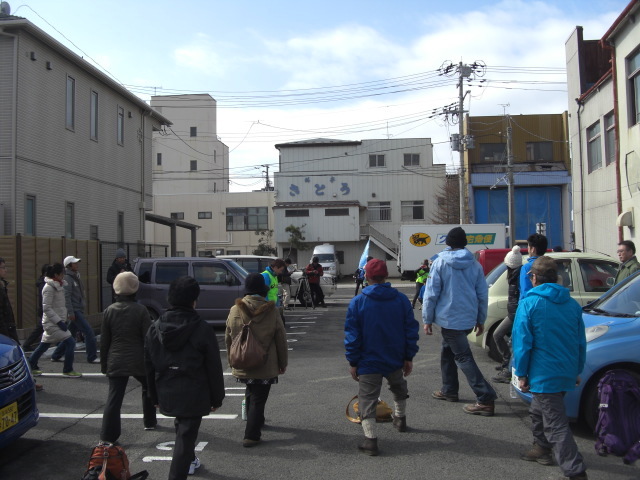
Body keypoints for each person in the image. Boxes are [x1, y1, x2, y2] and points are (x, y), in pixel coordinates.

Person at [512, 256, 588, 480]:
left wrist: (521, 373)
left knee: (556, 424)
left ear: (534, 278)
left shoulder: (529, 303)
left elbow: (522, 343)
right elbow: (580, 341)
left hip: (543, 373)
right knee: (538, 410)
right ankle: (542, 448)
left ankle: (575, 471)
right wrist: (576, 370)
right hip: (565, 370)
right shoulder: (572, 304)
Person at [145, 276, 225, 479]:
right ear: (194, 300)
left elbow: (148, 366)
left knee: (183, 429)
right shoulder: (202, 328)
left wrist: (153, 397)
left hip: (166, 388)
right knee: (186, 434)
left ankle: (190, 460)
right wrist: (217, 398)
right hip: (194, 391)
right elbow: (213, 367)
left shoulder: (154, 328)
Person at [345, 259, 419, 455]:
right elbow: (410, 329)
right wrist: (408, 356)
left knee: (367, 398)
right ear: (386, 276)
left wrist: (353, 362)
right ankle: (400, 419)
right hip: (395, 357)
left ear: (367, 277)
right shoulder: (401, 299)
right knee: (398, 387)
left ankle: (371, 440)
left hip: (368, 361)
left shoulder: (358, 301)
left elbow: (353, 336)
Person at [422, 226, 497, 416]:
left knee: (462, 356)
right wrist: (480, 319)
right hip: (468, 317)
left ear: (448, 243)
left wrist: (427, 319)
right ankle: (449, 390)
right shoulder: (475, 264)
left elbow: (431, 294)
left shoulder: (439, 263)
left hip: (448, 318)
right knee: (447, 351)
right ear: (465, 243)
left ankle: (485, 397)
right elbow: (482, 294)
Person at [225, 273, 288, 447]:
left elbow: (228, 337)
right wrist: (283, 363)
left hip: (242, 359)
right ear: (263, 290)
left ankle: (255, 421)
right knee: (259, 397)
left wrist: (231, 360)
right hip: (265, 362)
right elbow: (281, 339)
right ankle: (251, 435)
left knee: (251, 390)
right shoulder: (272, 310)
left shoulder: (234, 309)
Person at [100, 272, 157, 444]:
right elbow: (148, 337)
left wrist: (104, 365)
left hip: (116, 358)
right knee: (148, 386)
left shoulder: (109, 311)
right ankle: (149, 421)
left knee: (114, 398)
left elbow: (104, 341)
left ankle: (108, 436)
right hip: (139, 359)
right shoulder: (140, 310)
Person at [28, 263, 82, 378]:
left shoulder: (59, 285)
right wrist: (59, 322)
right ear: (56, 274)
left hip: (55, 322)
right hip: (52, 323)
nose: (63, 275)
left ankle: (31, 364)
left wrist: (64, 318)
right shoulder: (49, 288)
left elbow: (60, 306)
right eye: (62, 273)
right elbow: (46, 308)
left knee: (44, 345)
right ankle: (68, 369)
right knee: (71, 342)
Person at [50, 256, 98, 364]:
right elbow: (66, 296)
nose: (77, 264)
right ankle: (92, 356)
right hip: (75, 310)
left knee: (69, 334)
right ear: (69, 265)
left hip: (77, 309)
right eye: (74, 263)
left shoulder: (75, 276)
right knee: (89, 332)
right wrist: (70, 312)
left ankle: (56, 355)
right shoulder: (68, 278)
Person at [492, 246, 522, 383]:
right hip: (513, 313)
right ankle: (506, 363)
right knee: (504, 338)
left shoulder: (519, 277)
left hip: (516, 314)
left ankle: (508, 370)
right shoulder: (515, 276)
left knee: (500, 336)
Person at [23, 264, 49, 351]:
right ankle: (27, 345)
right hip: (45, 309)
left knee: (42, 328)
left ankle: (28, 345)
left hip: (45, 309)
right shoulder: (43, 284)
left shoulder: (43, 282)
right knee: (41, 328)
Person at [520, 233, 548, 300]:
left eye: (528, 247)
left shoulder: (527, 267)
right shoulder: (550, 264)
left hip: (531, 304)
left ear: (533, 249)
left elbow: (525, 290)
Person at [0, 257, 20, 344]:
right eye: (3, 267)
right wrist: (6, 333)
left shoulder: (2, 285)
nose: (6, 270)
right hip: (4, 331)